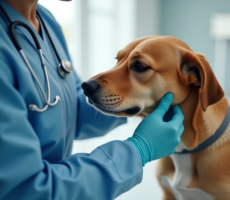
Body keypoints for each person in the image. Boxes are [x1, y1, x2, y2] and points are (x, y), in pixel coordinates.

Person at [0, 0, 184, 199]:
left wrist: (134, 102)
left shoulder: (45, 20)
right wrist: (139, 149)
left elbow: (68, 110)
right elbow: (26, 191)